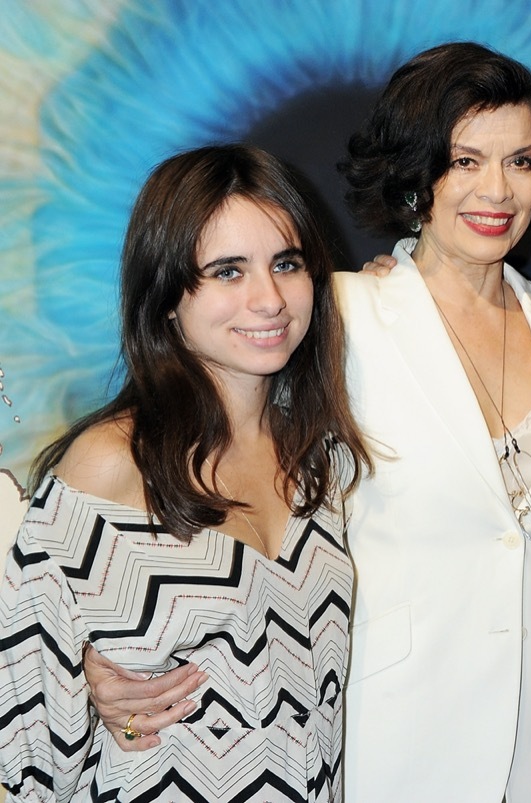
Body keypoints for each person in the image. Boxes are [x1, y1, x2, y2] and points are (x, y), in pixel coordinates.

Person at [82, 43, 531, 801]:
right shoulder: (337, 315)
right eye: (465, 160)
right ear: (419, 170)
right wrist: (106, 655)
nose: (497, 189)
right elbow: (204, 460)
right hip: (387, 731)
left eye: (519, 160)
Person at [0, 144, 372, 801]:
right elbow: (23, 739)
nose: (269, 299)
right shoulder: (111, 464)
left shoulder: (322, 462)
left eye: (286, 263)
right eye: (227, 271)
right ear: (167, 295)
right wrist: (90, 691)